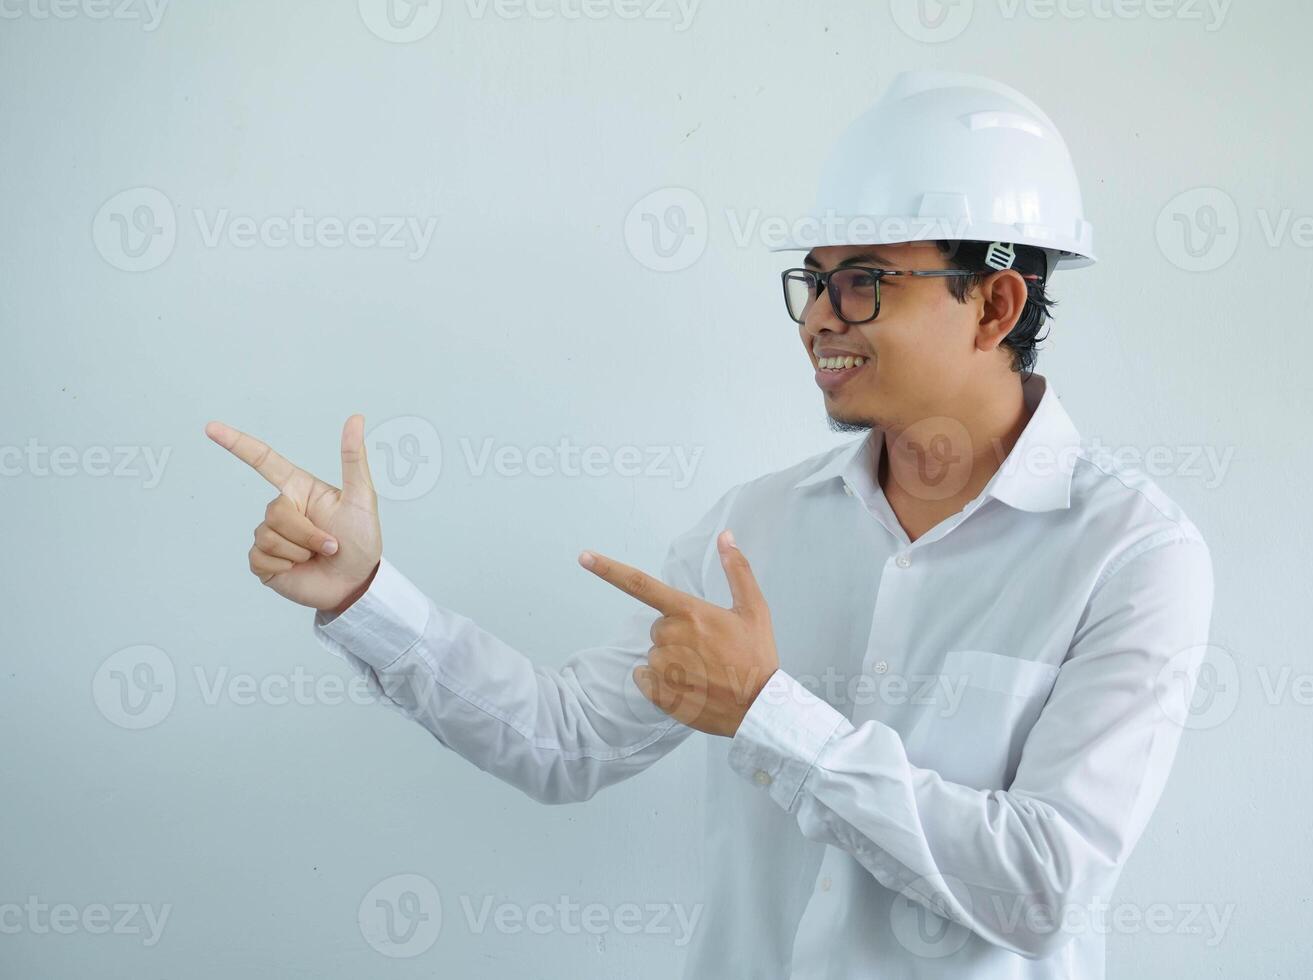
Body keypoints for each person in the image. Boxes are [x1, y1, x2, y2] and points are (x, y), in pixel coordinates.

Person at [206, 70, 1214, 978]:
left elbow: (1045, 886)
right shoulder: (758, 525)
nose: (819, 316)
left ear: (993, 304)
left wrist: (769, 711)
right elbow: (564, 739)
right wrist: (364, 593)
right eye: (812, 281)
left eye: (862, 281)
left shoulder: (1130, 554)